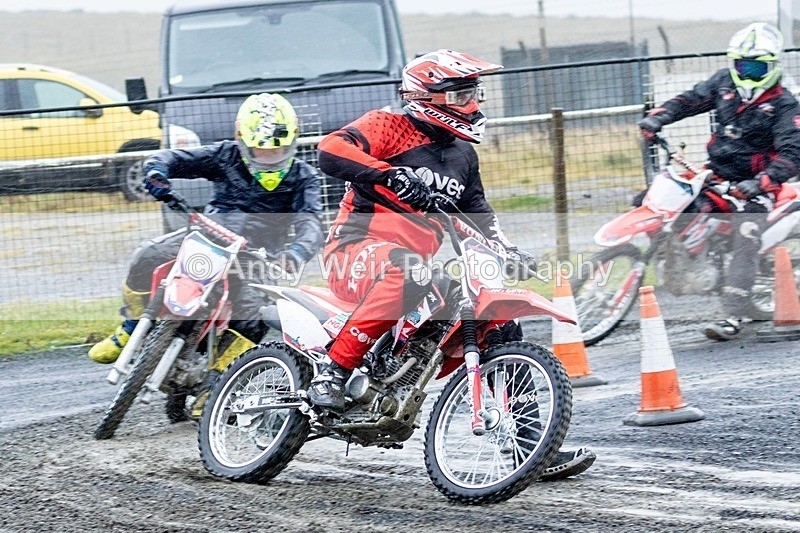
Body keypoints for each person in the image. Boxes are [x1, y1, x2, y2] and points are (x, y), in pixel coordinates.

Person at [313, 49, 595, 480]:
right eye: (462, 95)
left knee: (499, 322)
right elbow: (330, 150)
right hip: (354, 249)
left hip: (410, 268)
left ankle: (529, 448)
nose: (474, 105)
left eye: (475, 94)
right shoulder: (388, 125)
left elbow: (478, 211)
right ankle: (333, 373)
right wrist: (388, 174)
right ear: (429, 97)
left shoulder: (463, 155)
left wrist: (508, 249)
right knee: (412, 271)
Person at [89, 93, 324, 408]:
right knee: (146, 256)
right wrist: (156, 172)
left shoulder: (304, 177)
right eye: (259, 151)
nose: (269, 158)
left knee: (254, 317)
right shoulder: (225, 155)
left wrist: (296, 253)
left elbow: (311, 223)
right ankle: (129, 328)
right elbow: (174, 158)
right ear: (241, 140)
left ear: (293, 142)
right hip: (207, 237)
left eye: (278, 150)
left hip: (258, 257)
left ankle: (216, 386)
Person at [638, 23, 800, 340]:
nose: (749, 74)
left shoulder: (784, 104)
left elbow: (793, 154)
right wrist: (659, 116)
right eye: (743, 65)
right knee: (660, 200)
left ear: (773, 65)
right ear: (733, 64)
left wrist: (762, 181)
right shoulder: (723, 84)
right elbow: (689, 100)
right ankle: (671, 263)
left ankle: (733, 315)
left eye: (758, 67)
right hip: (716, 173)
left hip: (758, 186)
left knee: (747, 232)